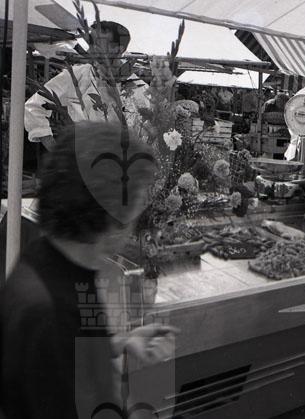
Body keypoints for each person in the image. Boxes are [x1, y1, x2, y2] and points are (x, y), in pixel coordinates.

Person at [0, 122, 178, 418]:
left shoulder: (57, 261)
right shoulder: (46, 314)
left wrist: (121, 343)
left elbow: (70, 355)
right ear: (112, 216)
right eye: (139, 202)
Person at [25, 21, 136, 151]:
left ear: (118, 50)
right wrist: (54, 150)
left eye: (97, 44)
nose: (90, 50)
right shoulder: (76, 75)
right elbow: (33, 106)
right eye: (90, 43)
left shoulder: (137, 87)